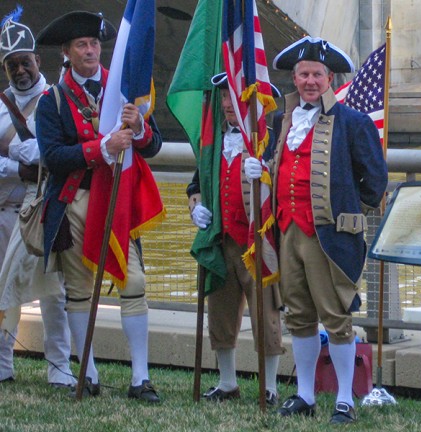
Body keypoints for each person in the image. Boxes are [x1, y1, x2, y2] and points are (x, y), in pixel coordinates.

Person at [245, 36, 388, 424]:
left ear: (329, 78)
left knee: (336, 316)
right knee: (299, 315)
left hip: (329, 236)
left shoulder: (353, 122)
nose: (310, 81)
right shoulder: (282, 120)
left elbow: (375, 182)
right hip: (288, 231)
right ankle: (305, 393)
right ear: (295, 77)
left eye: (317, 75)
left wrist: (345, 208)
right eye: (304, 74)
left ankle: (344, 398)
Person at [34, 11, 162, 402]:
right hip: (75, 200)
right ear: (66, 53)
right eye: (81, 46)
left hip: (118, 198)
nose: (90, 51)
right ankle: (87, 372)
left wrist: (138, 128)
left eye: (94, 44)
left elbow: (153, 146)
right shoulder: (51, 101)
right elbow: (53, 157)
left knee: (134, 282)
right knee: (78, 289)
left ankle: (140, 377)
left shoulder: (124, 90)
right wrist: (100, 148)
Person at [187, 73, 285, 405]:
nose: (229, 104)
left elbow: (284, 188)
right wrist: (197, 207)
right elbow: (195, 185)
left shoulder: (270, 140)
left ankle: (269, 386)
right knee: (221, 311)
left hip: (258, 241)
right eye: (225, 98)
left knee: (265, 314)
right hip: (222, 239)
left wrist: (268, 175)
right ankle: (227, 382)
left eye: (236, 98)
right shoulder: (212, 143)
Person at [0, 11, 75, 388]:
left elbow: (57, 153)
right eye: (11, 65)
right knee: (2, 291)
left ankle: (60, 369)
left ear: (37, 60)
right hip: (3, 211)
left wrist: (20, 155)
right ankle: (1, 365)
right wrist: (17, 157)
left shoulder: (58, 98)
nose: (19, 71)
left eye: (24, 62)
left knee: (54, 294)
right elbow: (26, 156)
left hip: (45, 208)